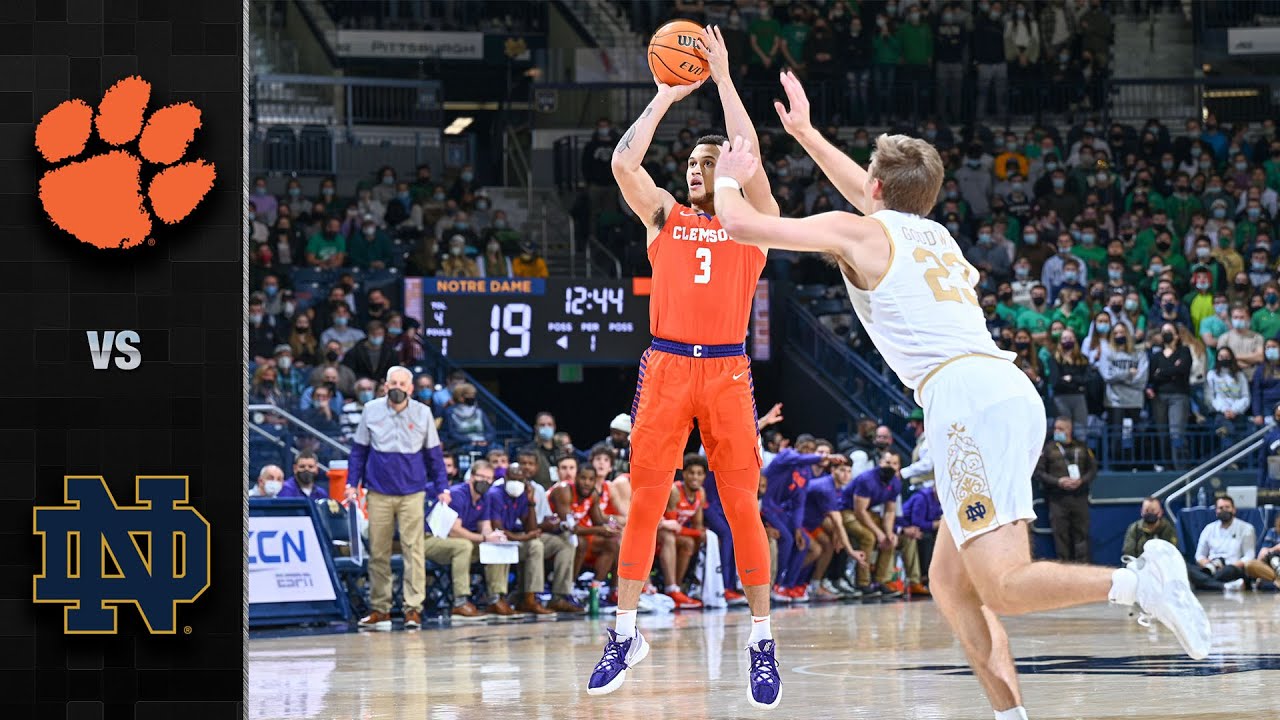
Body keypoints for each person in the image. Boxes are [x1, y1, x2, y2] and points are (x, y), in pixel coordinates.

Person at [708, 70, 1210, 719]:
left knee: (999, 585)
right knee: (950, 583)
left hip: (967, 402)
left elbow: (741, 226)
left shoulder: (865, 230)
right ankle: (1012, 715)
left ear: (878, 187)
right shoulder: (933, 235)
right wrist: (803, 133)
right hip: (1007, 392)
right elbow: (875, 199)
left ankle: (1141, 582)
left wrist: (728, 171)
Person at [587, 26, 782, 708]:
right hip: (667, 366)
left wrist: (725, 79)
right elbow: (622, 162)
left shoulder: (754, 224)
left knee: (742, 506)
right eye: (693, 165)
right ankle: (624, 630)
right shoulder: (665, 216)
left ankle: (761, 640)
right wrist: (667, 95)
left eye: (711, 163)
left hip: (726, 371)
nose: (699, 171)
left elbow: (749, 152)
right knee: (644, 501)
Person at [345, 366, 449, 632]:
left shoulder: (423, 413)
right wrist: (351, 484)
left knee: (413, 550)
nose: (398, 387)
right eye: (393, 382)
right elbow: (358, 451)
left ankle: (413, 609)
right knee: (378, 551)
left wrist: (442, 487)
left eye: (403, 383)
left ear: (410, 388)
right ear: (385, 385)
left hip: (413, 492)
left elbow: (434, 455)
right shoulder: (371, 410)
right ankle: (380, 610)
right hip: (378, 491)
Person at [482, 459, 557, 616]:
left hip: (513, 541)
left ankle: (530, 598)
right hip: (493, 540)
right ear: (505, 479)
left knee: (536, 545)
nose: (516, 483)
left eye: (520, 480)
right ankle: (497, 599)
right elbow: (499, 531)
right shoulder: (495, 494)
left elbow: (531, 528)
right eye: (512, 479)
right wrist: (526, 537)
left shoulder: (523, 494)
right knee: (501, 545)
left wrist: (530, 503)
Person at [840, 452, 904, 599]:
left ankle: (881, 581)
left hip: (867, 512)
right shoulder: (866, 479)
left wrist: (888, 533)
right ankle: (863, 583)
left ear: (899, 466)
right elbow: (859, 511)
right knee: (869, 537)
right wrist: (879, 534)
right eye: (887, 462)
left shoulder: (896, 483)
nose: (890, 466)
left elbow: (889, 511)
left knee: (890, 539)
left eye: (894, 463)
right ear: (880, 463)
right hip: (847, 511)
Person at [1035, 417, 1096, 563]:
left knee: (1081, 535)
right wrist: (1058, 482)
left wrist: (1082, 480)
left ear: (1069, 430)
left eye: (1060, 429)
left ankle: (1083, 568)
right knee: (1061, 536)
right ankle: (1064, 567)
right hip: (1057, 500)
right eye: (1055, 428)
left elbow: (1093, 470)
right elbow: (1039, 473)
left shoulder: (1082, 447)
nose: (1056, 431)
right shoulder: (1049, 449)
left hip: (1079, 498)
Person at [656, 454, 709, 609]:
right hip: (660, 531)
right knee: (672, 537)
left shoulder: (701, 493)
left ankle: (681, 588)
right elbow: (673, 526)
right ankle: (671, 588)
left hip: (675, 533)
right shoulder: (675, 491)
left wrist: (701, 535)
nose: (695, 477)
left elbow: (697, 526)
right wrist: (698, 533)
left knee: (691, 543)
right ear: (684, 473)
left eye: (699, 474)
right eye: (691, 472)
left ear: (704, 476)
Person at [1190, 495, 1257, 591]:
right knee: (1188, 569)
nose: (1224, 510)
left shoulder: (1246, 528)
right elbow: (1199, 556)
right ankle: (1224, 586)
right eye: (1220, 508)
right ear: (1216, 511)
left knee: (1228, 570)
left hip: (1233, 567)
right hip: (1212, 567)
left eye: (1227, 507)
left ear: (1234, 510)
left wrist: (1232, 565)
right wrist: (1207, 563)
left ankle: (1203, 583)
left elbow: (1249, 556)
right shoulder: (1209, 528)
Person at [1207, 346, 1251, 451]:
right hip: (1220, 413)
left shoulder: (1239, 375)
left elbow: (1245, 396)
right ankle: (1230, 461)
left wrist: (1234, 410)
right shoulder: (1212, 374)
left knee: (1231, 432)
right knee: (1227, 428)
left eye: (1226, 356)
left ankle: (1231, 462)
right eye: (1221, 357)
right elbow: (1210, 397)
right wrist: (1224, 410)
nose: (1224, 359)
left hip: (1238, 412)